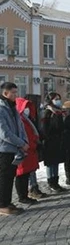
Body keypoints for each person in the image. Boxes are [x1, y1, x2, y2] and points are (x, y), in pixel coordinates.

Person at [0, 82, 28, 215]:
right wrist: (20, 143)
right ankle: (2, 205)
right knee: (4, 177)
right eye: (13, 93)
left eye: (16, 92)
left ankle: (7, 201)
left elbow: (20, 126)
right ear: (5, 93)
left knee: (10, 177)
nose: (16, 95)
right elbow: (4, 133)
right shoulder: (1, 109)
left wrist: (24, 141)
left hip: (14, 148)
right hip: (4, 149)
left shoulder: (12, 108)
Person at [14, 97, 40, 204]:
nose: (27, 110)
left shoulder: (26, 119)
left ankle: (25, 194)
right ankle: (22, 196)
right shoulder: (20, 120)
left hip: (30, 150)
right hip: (24, 150)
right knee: (21, 175)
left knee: (26, 174)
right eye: (25, 107)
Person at [41, 92, 67, 192]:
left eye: (59, 98)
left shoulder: (58, 112)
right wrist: (48, 137)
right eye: (55, 99)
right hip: (50, 141)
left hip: (58, 140)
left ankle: (56, 182)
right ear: (50, 100)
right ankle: (51, 182)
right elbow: (44, 128)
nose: (58, 101)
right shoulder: (48, 112)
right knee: (50, 163)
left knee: (56, 162)